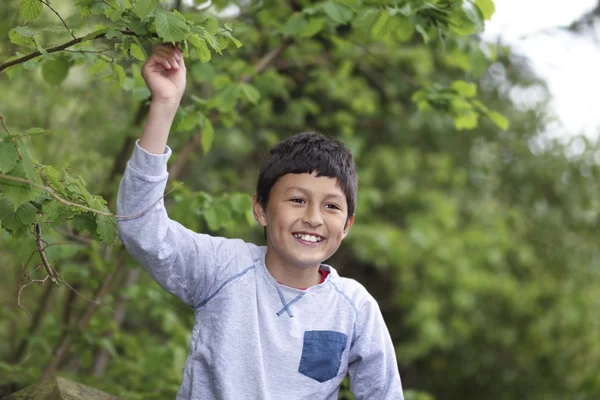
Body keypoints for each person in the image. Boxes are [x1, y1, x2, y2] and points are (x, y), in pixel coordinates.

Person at [117, 44, 403, 400]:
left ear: (347, 225)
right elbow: (140, 228)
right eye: (297, 200)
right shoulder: (222, 269)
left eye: (331, 206)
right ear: (261, 210)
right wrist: (164, 105)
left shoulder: (356, 309)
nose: (313, 218)